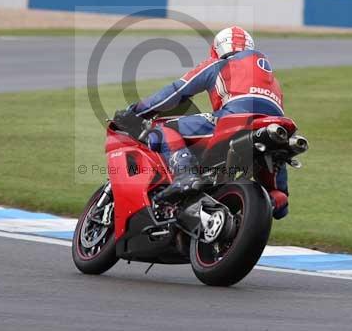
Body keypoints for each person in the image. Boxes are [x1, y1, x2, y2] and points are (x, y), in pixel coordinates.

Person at [114, 26, 289, 218]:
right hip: (274, 129)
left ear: (216, 49)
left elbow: (175, 92)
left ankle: (184, 175)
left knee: (163, 129)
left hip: (232, 120)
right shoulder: (273, 81)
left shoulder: (218, 65)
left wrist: (136, 111)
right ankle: (274, 199)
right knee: (278, 192)